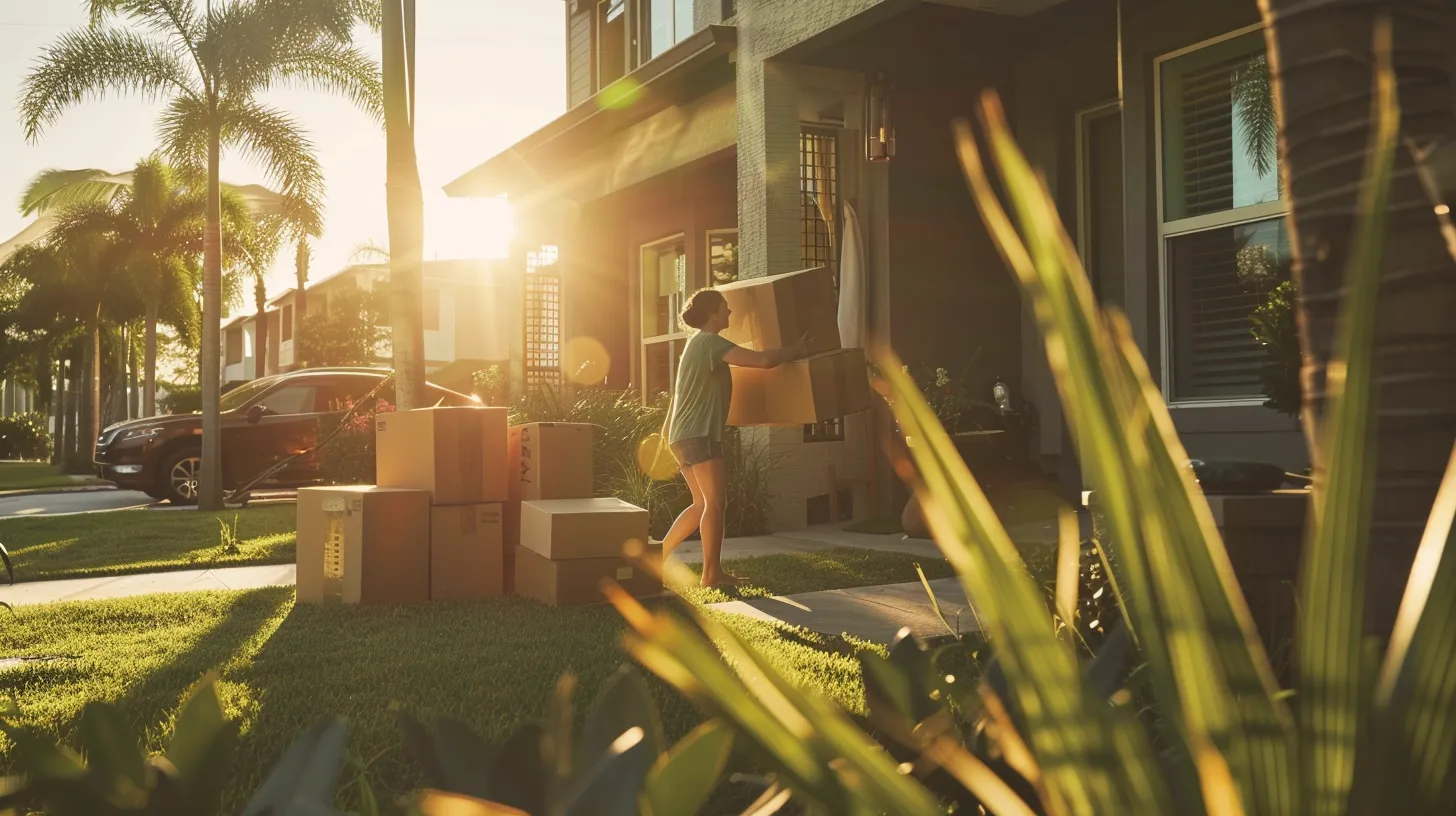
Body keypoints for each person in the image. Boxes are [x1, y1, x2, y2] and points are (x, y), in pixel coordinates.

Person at [660, 288, 808, 587]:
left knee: (701, 503)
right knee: (715, 504)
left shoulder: (694, 344)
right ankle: (711, 575)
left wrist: (666, 433)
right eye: (725, 308)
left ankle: (656, 556)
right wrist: (795, 350)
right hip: (700, 433)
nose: (729, 313)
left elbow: (678, 394)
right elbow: (763, 360)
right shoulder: (710, 342)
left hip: (682, 435)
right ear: (713, 313)